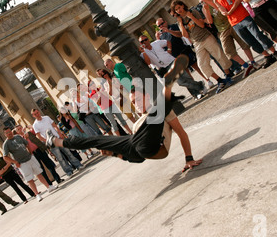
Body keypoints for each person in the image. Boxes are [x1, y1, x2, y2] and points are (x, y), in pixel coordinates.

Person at [45, 55, 202, 172]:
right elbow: (137, 155)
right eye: (133, 102)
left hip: (155, 145)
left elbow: (182, 133)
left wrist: (189, 158)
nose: (136, 104)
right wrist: (117, 154)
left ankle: (168, 85)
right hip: (138, 147)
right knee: (97, 140)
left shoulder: (160, 113)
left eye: (139, 99)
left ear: (147, 96)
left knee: (157, 112)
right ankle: (57, 142)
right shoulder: (140, 121)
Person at [204, 0, 277, 69]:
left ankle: (274, 52)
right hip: (234, 23)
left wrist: (230, 11)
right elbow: (220, 8)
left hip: (243, 16)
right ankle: (267, 55)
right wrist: (223, 12)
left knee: (257, 35)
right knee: (250, 41)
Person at [169, 0, 235, 94]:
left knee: (219, 56)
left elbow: (202, 25)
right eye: (176, 9)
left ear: (183, 5)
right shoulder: (180, 21)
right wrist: (180, 23)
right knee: (202, 65)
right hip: (197, 43)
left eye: (179, 7)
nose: (178, 10)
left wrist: (191, 16)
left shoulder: (193, 12)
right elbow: (185, 35)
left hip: (206, 37)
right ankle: (220, 80)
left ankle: (228, 75)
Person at [197, 0, 259, 76]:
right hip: (222, 30)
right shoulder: (204, 8)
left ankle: (253, 62)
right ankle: (245, 65)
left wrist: (211, 4)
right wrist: (206, 10)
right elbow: (210, 21)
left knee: (244, 44)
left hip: (231, 23)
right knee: (228, 51)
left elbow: (223, 11)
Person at [155, 18, 208, 99]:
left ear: (165, 21)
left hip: (184, 50)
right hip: (176, 57)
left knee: (197, 67)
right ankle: (197, 90)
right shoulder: (162, 36)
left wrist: (169, 31)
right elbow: (162, 49)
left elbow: (180, 34)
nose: (161, 26)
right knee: (187, 76)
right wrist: (158, 39)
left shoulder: (173, 26)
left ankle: (208, 80)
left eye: (162, 24)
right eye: (159, 26)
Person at [3, 127, 57, 202]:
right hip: (21, 163)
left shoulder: (18, 137)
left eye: (10, 131)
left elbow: (27, 143)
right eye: (7, 133)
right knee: (29, 179)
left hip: (30, 158)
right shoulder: (6, 144)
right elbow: (5, 157)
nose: (9, 133)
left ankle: (49, 187)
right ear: (5, 134)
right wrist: (15, 162)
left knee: (39, 173)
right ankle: (37, 194)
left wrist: (30, 152)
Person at [31, 109, 84, 178]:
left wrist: (59, 133)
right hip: (51, 143)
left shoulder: (46, 117)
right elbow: (39, 136)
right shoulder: (35, 125)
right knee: (60, 158)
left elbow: (55, 126)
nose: (37, 114)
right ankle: (69, 171)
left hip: (58, 138)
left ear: (39, 112)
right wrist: (47, 141)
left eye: (37, 112)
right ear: (33, 115)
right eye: (35, 114)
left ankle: (78, 165)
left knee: (68, 152)